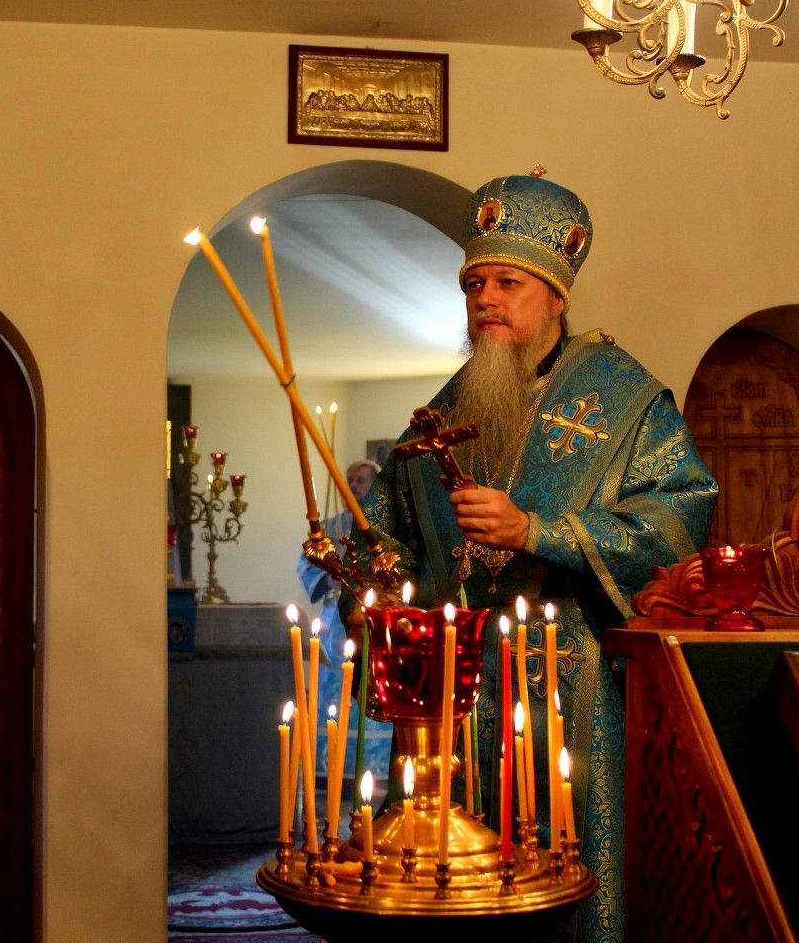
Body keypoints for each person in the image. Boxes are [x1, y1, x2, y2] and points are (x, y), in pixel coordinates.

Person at [341, 168, 717, 942]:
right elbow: (386, 543)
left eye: (507, 283)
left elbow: (680, 523)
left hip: (571, 690)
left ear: (555, 298)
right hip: (453, 703)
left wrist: (539, 532)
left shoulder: (625, 399)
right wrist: (371, 591)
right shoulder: (439, 417)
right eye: (474, 284)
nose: (485, 299)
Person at [296, 459, 392, 797]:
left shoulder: (386, 528)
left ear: (375, 484)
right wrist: (329, 578)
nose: (353, 485)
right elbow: (306, 562)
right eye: (349, 479)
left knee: (372, 687)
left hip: (374, 623)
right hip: (335, 623)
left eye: (361, 480)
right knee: (332, 689)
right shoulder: (331, 527)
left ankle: (377, 771)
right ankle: (329, 771)